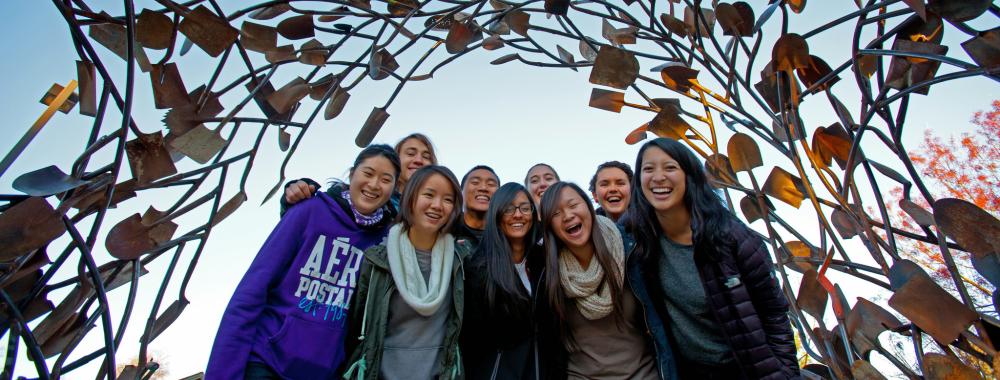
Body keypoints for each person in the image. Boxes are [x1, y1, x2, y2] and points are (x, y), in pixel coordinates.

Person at [206, 144, 401, 379]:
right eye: (367, 173)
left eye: (385, 179)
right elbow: (252, 290)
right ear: (352, 174)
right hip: (266, 363)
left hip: (323, 372)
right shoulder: (309, 210)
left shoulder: (385, 243)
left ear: (393, 189)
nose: (373, 185)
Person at [623, 138, 799, 379]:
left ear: (689, 176)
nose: (658, 177)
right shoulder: (638, 240)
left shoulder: (733, 238)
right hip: (689, 371)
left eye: (670, 167)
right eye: (648, 169)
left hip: (748, 369)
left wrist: (785, 374)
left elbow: (774, 313)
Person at [343, 165, 472, 380]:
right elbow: (355, 326)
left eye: (448, 200)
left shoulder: (460, 260)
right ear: (411, 197)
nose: (437, 205)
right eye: (428, 195)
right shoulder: (378, 260)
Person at [537, 182, 667, 380]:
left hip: (645, 374)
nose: (568, 216)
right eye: (556, 213)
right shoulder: (547, 273)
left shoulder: (628, 252)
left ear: (589, 207)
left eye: (573, 205)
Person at [462, 183, 546, 379]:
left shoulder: (544, 262)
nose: (518, 215)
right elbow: (472, 341)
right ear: (496, 215)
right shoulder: (479, 270)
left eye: (525, 208)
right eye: (509, 208)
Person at [281, 133, 437, 215]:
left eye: (426, 156)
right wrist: (298, 193)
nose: (418, 160)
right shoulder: (364, 198)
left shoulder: (434, 209)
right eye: (410, 153)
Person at [453, 165, 500, 247]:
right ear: (461, 192)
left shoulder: (506, 235)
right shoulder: (445, 230)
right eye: (475, 182)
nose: (483, 188)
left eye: (491, 184)